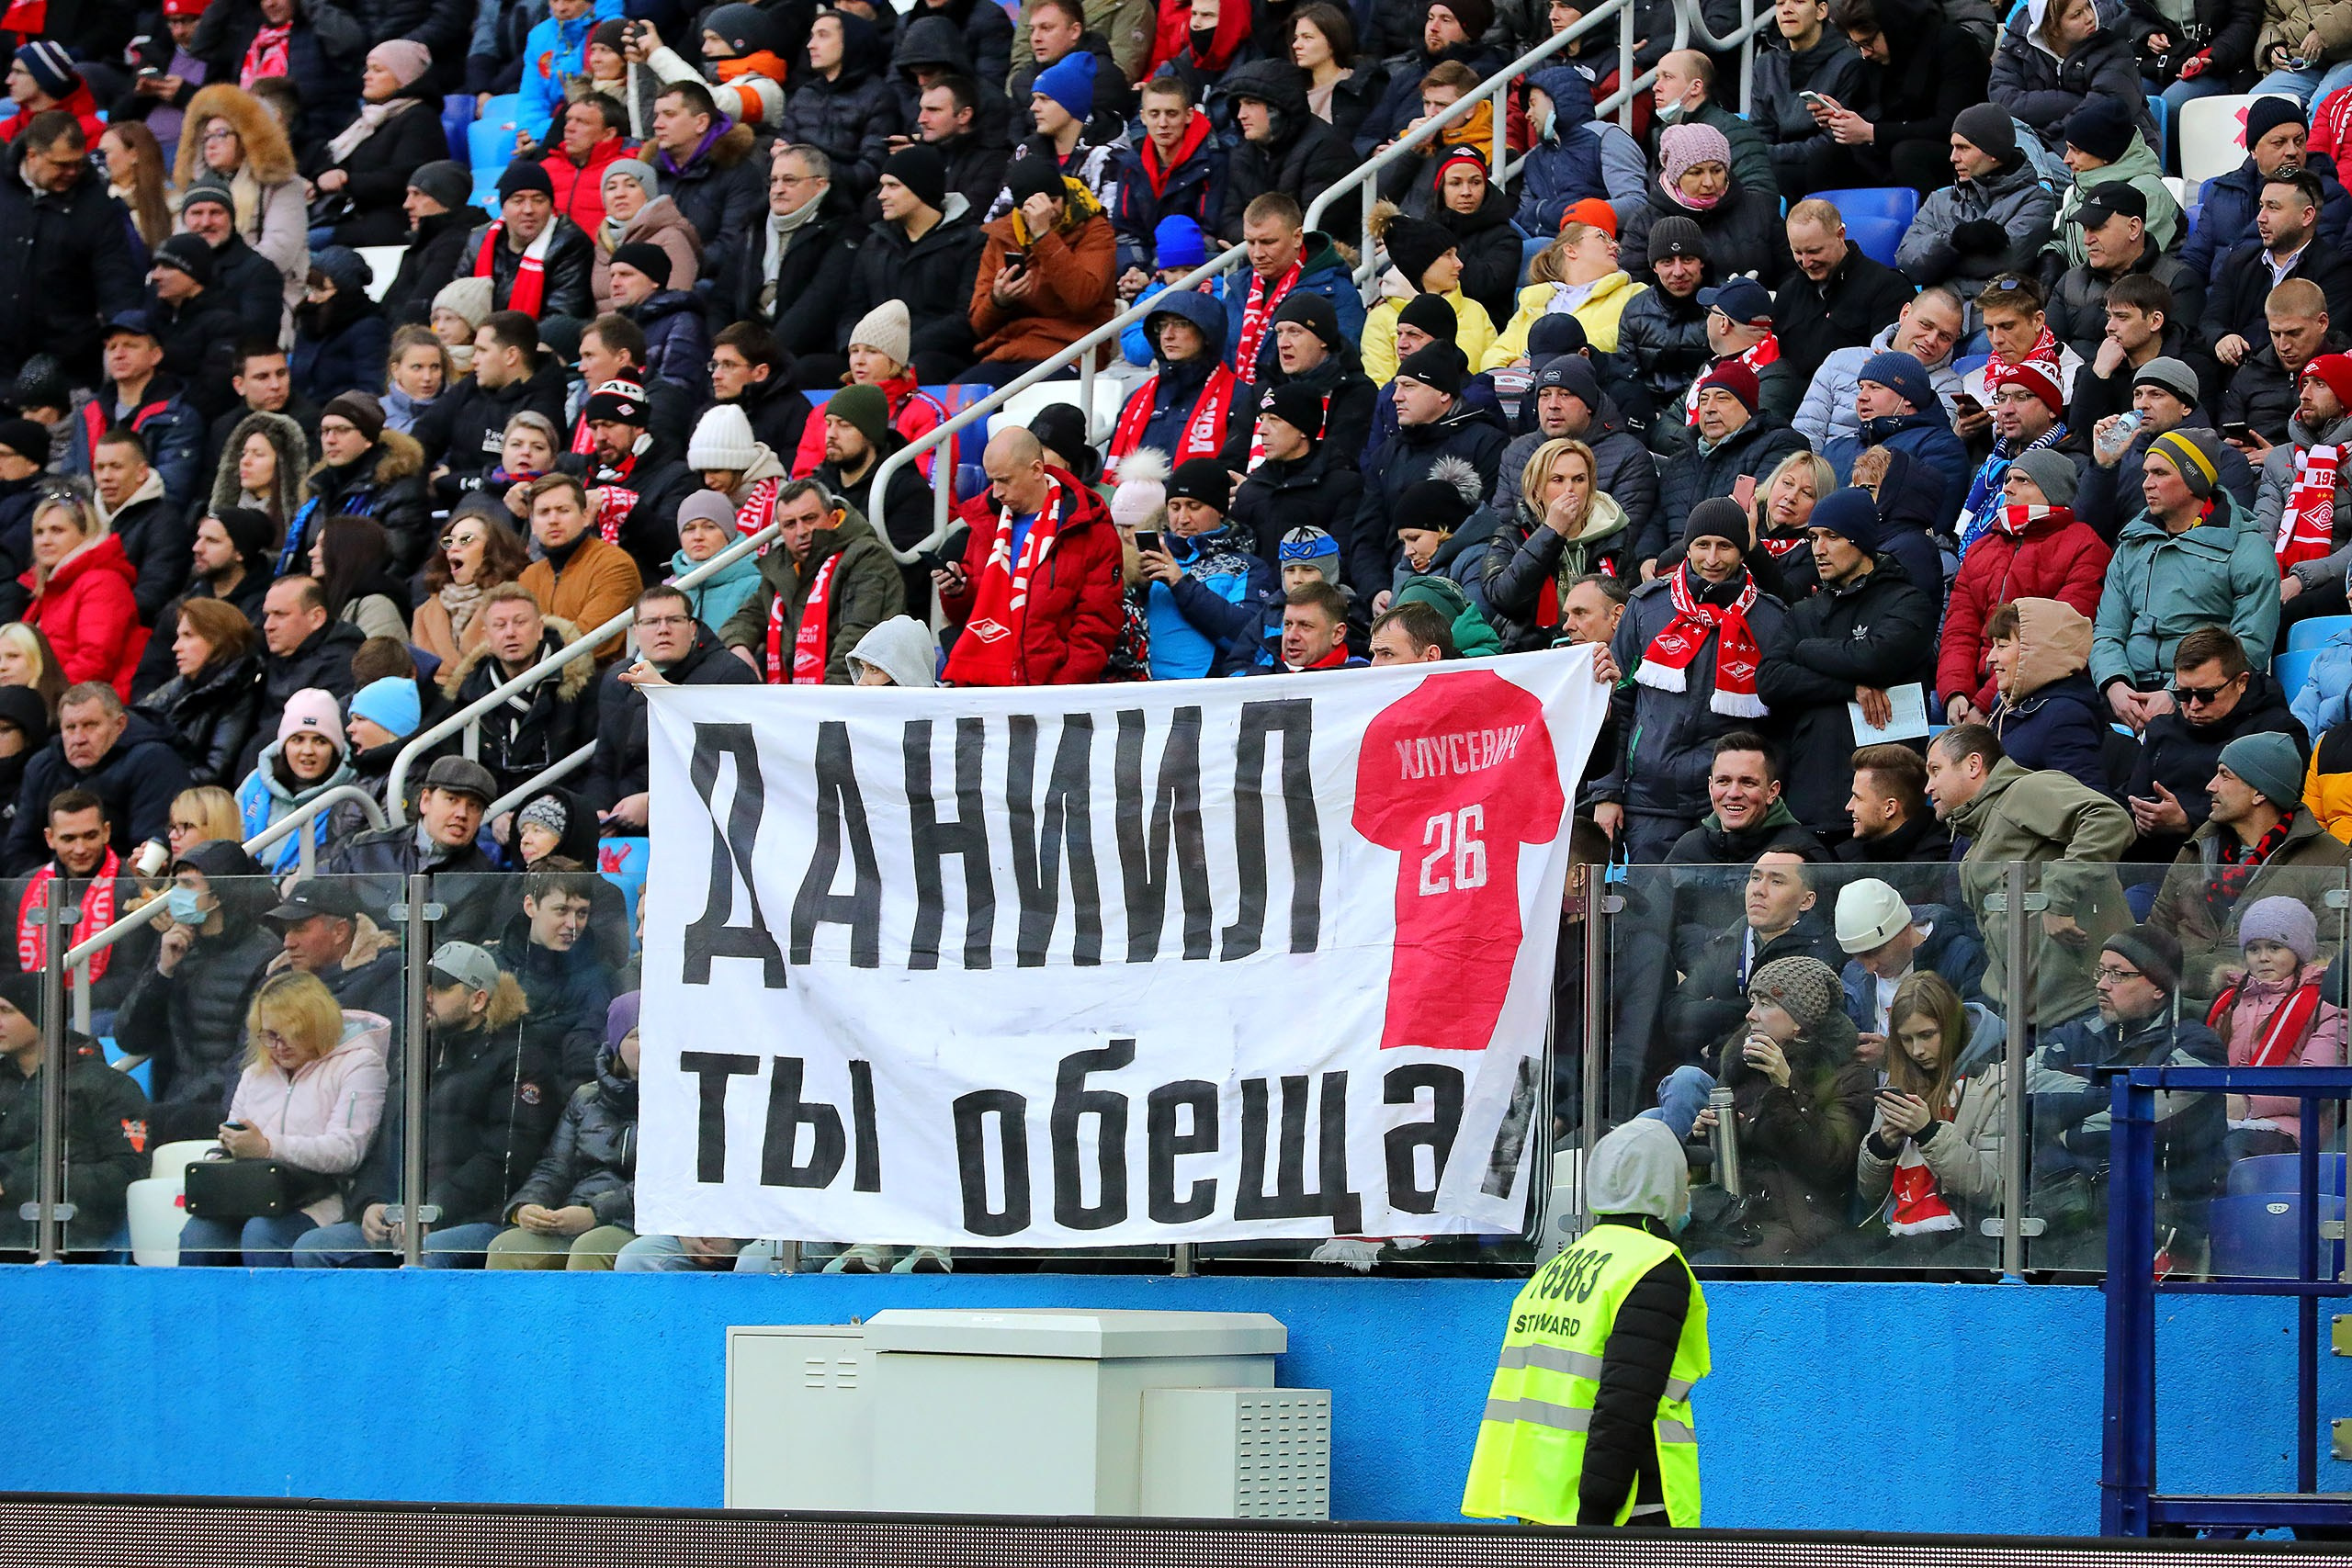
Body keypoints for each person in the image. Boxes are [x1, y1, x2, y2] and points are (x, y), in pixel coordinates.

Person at [1461, 1118, 1707, 1529]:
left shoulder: (1561, 1267)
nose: (1688, 1194)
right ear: (1659, 1184)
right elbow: (1623, 1408)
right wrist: (1594, 1524)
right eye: (1683, 1178)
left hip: (1542, 1502)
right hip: (1619, 1515)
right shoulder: (1652, 1268)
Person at [291, 939, 556, 1269]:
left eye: (441, 988)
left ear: (478, 1000)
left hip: (477, 1217)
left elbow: (504, 1159)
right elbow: (386, 1141)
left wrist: (435, 1208)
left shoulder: (519, 1059)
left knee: (427, 1255)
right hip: (407, 1218)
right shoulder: (416, 1052)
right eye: (424, 985)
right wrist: (371, 1203)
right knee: (314, 1247)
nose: (426, 995)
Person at [1593, 505, 1792, 862]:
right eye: (1702, 545)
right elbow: (1616, 704)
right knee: (1650, 913)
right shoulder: (1646, 607)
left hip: (1729, 806)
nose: (1712, 558)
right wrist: (1607, 793)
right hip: (1650, 801)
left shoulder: (1771, 618)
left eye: (1724, 546)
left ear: (1742, 551)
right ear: (1687, 548)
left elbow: (1779, 722)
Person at [2028, 924, 2225, 1269]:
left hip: (2152, 1221)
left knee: (2074, 1286)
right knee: (1961, 1268)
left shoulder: (2197, 1047)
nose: (2102, 984)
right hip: (2057, 1210)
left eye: (2119, 975)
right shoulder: (2076, 1033)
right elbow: (2023, 1088)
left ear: (2159, 989)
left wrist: (2067, 1132)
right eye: (2101, 971)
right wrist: (2106, 1094)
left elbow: (2142, 1117)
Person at [177, 968, 390, 1267]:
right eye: (269, 1036)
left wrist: (267, 1148)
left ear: (318, 1026)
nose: (278, 1047)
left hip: (324, 1199)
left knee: (263, 1234)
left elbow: (347, 1151)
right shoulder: (254, 1073)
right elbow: (229, 1137)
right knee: (198, 1235)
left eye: (293, 1035)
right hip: (250, 1197)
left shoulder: (360, 1064)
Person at [1754, 490, 1936, 838]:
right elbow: (1771, 681)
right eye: (1813, 537)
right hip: (1812, 799)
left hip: (1887, 806)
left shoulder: (1907, 601)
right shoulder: (1805, 611)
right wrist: (1848, 688)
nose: (1818, 549)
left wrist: (1806, 650)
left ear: (1861, 540)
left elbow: (1874, 659)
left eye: (1831, 537)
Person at [1926, 724, 2131, 1026]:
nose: (1927, 788)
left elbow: (2108, 819)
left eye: (1935, 770)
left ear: (1972, 765)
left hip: (2080, 1008)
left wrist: (2058, 900)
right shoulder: (1977, 837)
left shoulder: (2023, 791)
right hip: (2025, 1015)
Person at [2094, 430, 2280, 730]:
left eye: (2160, 473)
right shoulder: (2131, 544)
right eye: (2146, 473)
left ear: (2194, 480)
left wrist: (2177, 692)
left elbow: (2251, 644)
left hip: (2201, 699)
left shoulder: (2246, 548)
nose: (2147, 484)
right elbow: (2108, 629)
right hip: (2124, 695)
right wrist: (2114, 684)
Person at [113, 838, 280, 1142]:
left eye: (188, 885)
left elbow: (247, 1056)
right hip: (176, 1102)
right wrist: (163, 971)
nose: (176, 895)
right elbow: (129, 1037)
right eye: (175, 884)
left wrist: (174, 1105)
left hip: (230, 1106)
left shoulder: (266, 955)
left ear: (220, 895)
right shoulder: (175, 944)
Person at [937, 427, 1124, 684]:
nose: (996, 492)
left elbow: (1097, 628)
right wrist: (958, 592)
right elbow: (970, 617)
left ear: (1037, 470)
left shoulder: (1091, 529)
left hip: (1050, 694)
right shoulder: (987, 522)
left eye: (1005, 480)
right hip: (984, 687)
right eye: (992, 482)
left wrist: (1055, 693)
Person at [471, 991, 639, 1269]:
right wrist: (527, 1206)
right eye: (636, 1036)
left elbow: (664, 1183)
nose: (650, 1045)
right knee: (508, 1247)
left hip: (632, 1221)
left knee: (591, 1248)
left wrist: (594, 1214)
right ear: (617, 1044)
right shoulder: (586, 1098)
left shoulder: (683, 1102)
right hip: (575, 1214)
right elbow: (554, 1167)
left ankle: (584, 1316)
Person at [581, 586, 760, 831]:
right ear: (636, 631)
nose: (663, 629)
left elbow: (737, 773)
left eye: (674, 620)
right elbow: (604, 762)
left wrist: (653, 803)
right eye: (651, 621)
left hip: (702, 825)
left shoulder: (730, 675)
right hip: (624, 822)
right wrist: (598, 810)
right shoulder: (618, 678)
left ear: (692, 628)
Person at [1851, 970, 2003, 1256]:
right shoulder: (1899, 1082)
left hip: (1966, 1231)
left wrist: (1927, 1132)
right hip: (1899, 1225)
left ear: (1952, 1027)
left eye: (1927, 1035)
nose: (1917, 1050)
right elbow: (1869, 1191)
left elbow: (1993, 1188)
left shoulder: (1995, 1082)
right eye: (1906, 1040)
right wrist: (1883, 1144)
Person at [2126, 627, 2307, 864]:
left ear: (2241, 682)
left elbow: (2275, 812)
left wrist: (2186, 820)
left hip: (2243, 865)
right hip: (2155, 863)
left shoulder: (2277, 733)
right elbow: (2132, 798)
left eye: (2206, 695)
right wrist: (2142, 816)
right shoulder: (2162, 729)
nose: (2193, 705)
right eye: (2182, 694)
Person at [0, 970, 149, 1258]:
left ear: (41, 1016)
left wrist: (15, 1184)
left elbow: (128, 1172)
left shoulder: (108, 1085)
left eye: (6, 1011)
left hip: (69, 1223)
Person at [1351, 344, 1510, 592]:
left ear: (1444, 393)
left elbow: (1493, 526)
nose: (1396, 396)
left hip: (1460, 587)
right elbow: (1367, 535)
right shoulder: (1387, 454)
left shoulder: (1486, 444)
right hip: (1394, 591)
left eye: (1409, 386)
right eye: (1396, 386)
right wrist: (1376, 590)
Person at [0, 113, 143, 389]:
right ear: (32, 156)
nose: (72, 173)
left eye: (78, 164)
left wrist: (127, 334)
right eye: (62, 165)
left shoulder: (96, 205)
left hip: (66, 364)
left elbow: (116, 278)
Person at [719, 479, 908, 685]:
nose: (801, 532)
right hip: (801, 701)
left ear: (833, 517)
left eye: (809, 519)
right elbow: (747, 617)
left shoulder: (867, 557)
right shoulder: (781, 566)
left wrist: (825, 702)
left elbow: (857, 639)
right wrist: (737, 645)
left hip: (850, 696)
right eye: (790, 524)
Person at [1663, 850, 1845, 1058]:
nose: (1759, 890)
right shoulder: (1727, 941)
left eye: (1776, 882)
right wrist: (1741, 1009)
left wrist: (1714, 1041)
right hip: (1710, 1072)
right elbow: (1676, 1016)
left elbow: (1789, 1036)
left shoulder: (1818, 953)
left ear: (1806, 901)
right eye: (1756, 878)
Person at [2202, 896, 2346, 1159]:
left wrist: (2246, 1104)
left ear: (2298, 951)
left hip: (2291, 1129)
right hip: (2221, 1117)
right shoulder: (2227, 1001)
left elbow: (2316, 1084)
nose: (2263, 958)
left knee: (2229, 1152)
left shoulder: (2328, 1003)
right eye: (2254, 949)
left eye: (2275, 947)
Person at [439, 584, 594, 807]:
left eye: (520, 622)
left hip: (562, 808)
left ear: (540, 628)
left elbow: (591, 769)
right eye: (500, 625)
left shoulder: (580, 688)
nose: (510, 632)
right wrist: (493, 814)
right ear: (487, 637)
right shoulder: (467, 696)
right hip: (492, 815)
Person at [1811, 0, 1990, 193]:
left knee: (1907, 154)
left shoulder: (1954, 44)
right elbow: (1884, 117)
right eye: (1857, 45)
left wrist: (1871, 132)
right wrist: (1843, 115)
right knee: (1828, 156)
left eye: (1868, 43)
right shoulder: (1880, 59)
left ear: (1892, 28)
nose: (1865, 53)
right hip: (1897, 150)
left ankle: (1927, 222)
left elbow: (1951, 125)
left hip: (1958, 152)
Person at [968, 152, 1116, 385]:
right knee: (957, 405)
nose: (1047, 210)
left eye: (1053, 201)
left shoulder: (1095, 229)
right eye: (1034, 206)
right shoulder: (1003, 234)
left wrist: (1043, 235)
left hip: (1071, 351)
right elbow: (978, 325)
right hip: (1008, 352)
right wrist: (999, 300)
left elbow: (1083, 298)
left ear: (1065, 196)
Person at [841, 148, 988, 382]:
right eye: (882, 186)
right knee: (812, 369)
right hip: (875, 355)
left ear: (921, 189)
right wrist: (857, 347)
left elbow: (966, 317)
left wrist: (896, 348)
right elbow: (853, 310)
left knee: (922, 367)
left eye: (893, 186)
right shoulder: (874, 243)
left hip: (941, 357)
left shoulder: (971, 242)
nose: (881, 195)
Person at [1895, 107, 2059, 308]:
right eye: (1953, 147)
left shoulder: (2036, 201)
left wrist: (1938, 263)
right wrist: (1955, 240)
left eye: (1963, 148)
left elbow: (2006, 264)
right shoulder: (1939, 200)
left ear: (1992, 152)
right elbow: (1908, 261)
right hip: (1938, 313)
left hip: (1994, 316)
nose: (1953, 157)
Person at [1478, 438, 1632, 649]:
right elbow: (1506, 599)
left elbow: (1629, 607)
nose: (1570, 489)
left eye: (1579, 479)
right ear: (1537, 489)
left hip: (1603, 652)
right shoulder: (1510, 537)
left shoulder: (1615, 536)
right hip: (1532, 654)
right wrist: (1551, 532)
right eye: (1557, 480)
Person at [2182, 97, 2352, 287]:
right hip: (2216, 304)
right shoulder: (2223, 192)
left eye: (2299, 141)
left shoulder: (2327, 195)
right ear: (2254, 150)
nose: (2292, 151)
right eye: (2279, 143)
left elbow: (2311, 269)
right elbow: (2195, 260)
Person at [1133, 460, 1279, 679]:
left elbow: (1249, 638)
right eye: (1174, 507)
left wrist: (1181, 585)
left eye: (1194, 506)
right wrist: (1137, 586)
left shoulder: (1247, 566)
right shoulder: (1150, 559)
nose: (1182, 518)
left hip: (1202, 696)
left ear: (1220, 510)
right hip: (1137, 690)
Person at [173, 85, 307, 319]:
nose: (211, 144)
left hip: (267, 295)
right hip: (203, 296)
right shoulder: (197, 190)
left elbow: (280, 249)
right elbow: (179, 246)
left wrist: (220, 279)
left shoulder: (283, 186)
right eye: (206, 136)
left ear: (248, 136)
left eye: (222, 134)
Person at [413, 311, 570, 502]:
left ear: (511, 356)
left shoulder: (544, 407)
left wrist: (448, 481)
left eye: (482, 350)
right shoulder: (474, 384)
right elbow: (423, 436)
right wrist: (417, 483)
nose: (474, 360)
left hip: (498, 514)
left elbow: (515, 478)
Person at [724, 145, 856, 369]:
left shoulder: (843, 232)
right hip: (749, 352)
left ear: (820, 185)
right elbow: (722, 297)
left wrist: (761, 358)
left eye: (789, 180)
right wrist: (724, 349)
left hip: (801, 355)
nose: (778, 189)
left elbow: (818, 305)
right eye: (773, 181)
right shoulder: (753, 229)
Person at [1222, 192, 1367, 392]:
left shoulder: (1335, 292)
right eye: (1250, 242)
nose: (1257, 254)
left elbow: (1340, 366)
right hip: (1236, 412)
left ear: (1297, 237)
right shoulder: (1240, 288)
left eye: (1268, 242)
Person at [1619, 121, 1783, 295]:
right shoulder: (1645, 222)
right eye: (1696, 173)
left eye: (1717, 170)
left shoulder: (1759, 208)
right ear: (1675, 176)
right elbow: (1635, 292)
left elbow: (1789, 274)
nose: (1709, 183)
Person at [19, 486, 148, 703]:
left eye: (57, 530)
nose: (45, 540)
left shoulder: (103, 582)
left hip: (82, 708)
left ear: (85, 534)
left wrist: (42, 702)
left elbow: (95, 661)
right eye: (39, 532)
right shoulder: (50, 588)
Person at [1656, 358, 1808, 536]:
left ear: (1748, 409)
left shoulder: (1779, 445)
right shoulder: (1678, 462)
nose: (1709, 409)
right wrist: (1648, 558)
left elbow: (1754, 519)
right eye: (1703, 401)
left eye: (1722, 398)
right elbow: (1654, 524)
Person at [66, 312, 204, 509]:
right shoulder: (88, 412)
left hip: (144, 529)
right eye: (112, 347)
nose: (118, 354)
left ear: (155, 355)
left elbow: (170, 491)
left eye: (130, 346)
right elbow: (69, 477)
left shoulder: (179, 417)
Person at [1770, 198, 1912, 385]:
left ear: (1840, 235)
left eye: (1814, 251)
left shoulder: (1888, 288)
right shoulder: (1788, 293)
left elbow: (1890, 372)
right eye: (1798, 252)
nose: (1806, 262)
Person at [1981, 598, 2112, 791]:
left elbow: (2088, 806)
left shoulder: (2065, 716)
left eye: (2002, 646)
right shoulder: (2003, 704)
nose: (1990, 658)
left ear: (2036, 651)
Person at [1956, 360, 2080, 560]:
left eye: (2021, 397)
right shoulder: (1988, 468)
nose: (2006, 410)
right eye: (2001, 398)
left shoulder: (2072, 467)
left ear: (2052, 409)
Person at [137, 598, 266, 789]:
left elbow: (214, 772)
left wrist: (148, 781)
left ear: (219, 640)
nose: (176, 647)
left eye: (188, 636)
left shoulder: (237, 692)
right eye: (178, 636)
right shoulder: (183, 685)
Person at [515, 474, 645, 663]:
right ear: (533, 525)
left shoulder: (614, 563)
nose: (553, 520)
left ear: (585, 517)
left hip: (601, 681)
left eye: (563, 510)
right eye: (544, 512)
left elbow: (588, 641)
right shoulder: (529, 576)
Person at [1107, 290, 1240, 474]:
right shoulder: (1136, 399)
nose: (1167, 335)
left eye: (1181, 324)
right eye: (1161, 326)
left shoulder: (1239, 397)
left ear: (1207, 333)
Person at [649, 80, 765, 287]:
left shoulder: (739, 170)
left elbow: (733, 245)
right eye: (657, 115)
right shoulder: (652, 169)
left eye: (669, 115)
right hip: (653, 278)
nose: (657, 124)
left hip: (710, 283)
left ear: (701, 122)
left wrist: (673, 267)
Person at [1752, 0, 1867, 202]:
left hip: (1825, 169)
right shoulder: (1765, 64)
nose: (1786, 9)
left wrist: (1769, 154)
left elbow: (1835, 140)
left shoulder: (1850, 63)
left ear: (1821, 11)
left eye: (1799, 1)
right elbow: (1759, 130)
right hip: (1774, 161)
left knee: (1775, 178)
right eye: (1780, 4)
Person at [235, 687, 355, 874]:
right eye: (297, 740)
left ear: (335, 749)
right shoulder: (253, 786)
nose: (308, 750)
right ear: (283, 746)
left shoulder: (351, 793)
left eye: (320, 741)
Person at [248, 576, 363, 772]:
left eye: (280, 614)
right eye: (267, 615)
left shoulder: (342, 666)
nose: (268, 625)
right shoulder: (264, 658)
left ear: (316, 617)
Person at [88, 426, 195, 626]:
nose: (106, 476)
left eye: (116, 467)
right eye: (99, 468)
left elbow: (155, 591)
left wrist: (101, 620)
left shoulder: (165, 522)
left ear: (141, 473)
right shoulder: (85, 519)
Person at [462, 161, 594, 321]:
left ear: (551, 206)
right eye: (518, 201)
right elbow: (456, 302)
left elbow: (560, 318)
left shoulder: (571, 244)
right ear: (503, 208)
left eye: (538, 200)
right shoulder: (480, 239)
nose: (528, 210)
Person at [2221, 277, 2341, 446]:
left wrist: (2279, 459)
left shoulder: (2344, 370)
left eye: (2294, 333)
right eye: (2276, 334)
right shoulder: (2249, 373)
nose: (2283, 346)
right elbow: (2224, 433)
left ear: (2322, 323)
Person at [412, 512, 531, 667]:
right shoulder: (424, 614)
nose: (453, 548)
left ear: (491, 549)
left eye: (465, 540)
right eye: (448, 542)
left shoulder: (516, 598)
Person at [590, 159, 703, 319]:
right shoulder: (602, 242)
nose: (619, 194)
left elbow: (675, 302)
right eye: (611, 187)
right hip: (605, 333)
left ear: (649, 193)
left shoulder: (671, 237)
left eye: (631, 185)